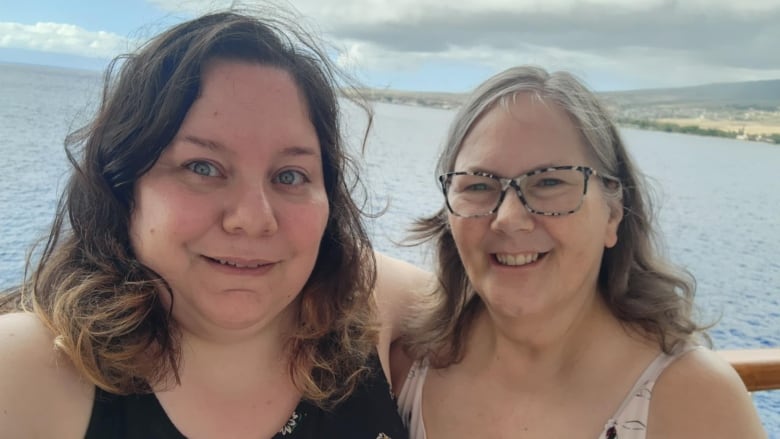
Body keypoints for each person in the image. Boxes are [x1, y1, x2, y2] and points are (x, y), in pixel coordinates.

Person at [0, 9, 427, 438]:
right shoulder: (29, 372)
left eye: (290, 176)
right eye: (203, 167)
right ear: (124, 186)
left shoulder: (371, 301)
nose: (252, 219)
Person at [390, 66, 767, 438]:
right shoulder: (408, 364)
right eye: (477, 186)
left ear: (613, 214)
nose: (509, 218)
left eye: (549, 181)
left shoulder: (695, 404)